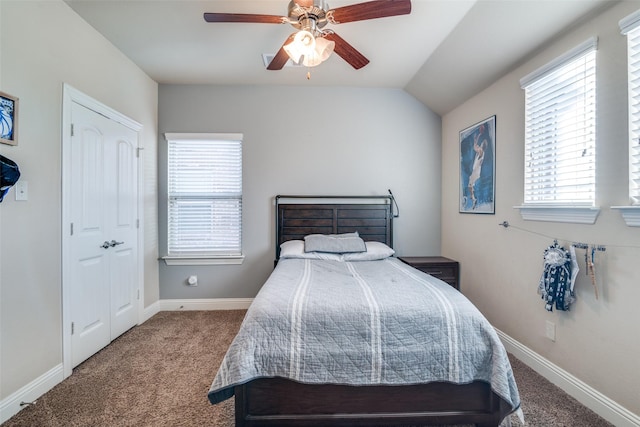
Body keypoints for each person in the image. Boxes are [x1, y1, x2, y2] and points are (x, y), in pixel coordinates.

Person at [468, 124, 488, 209]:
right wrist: (476, 139)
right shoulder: (481, 152)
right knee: (470, 185)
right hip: (476, 172)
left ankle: (473, 198)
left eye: (481, 143)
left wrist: (479, 135)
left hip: (476, 172)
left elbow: (475, 147)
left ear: (483, 145)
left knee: (470, 184)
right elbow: (475, 146)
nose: (480, 144)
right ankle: (473, 197)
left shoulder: (481, 151)